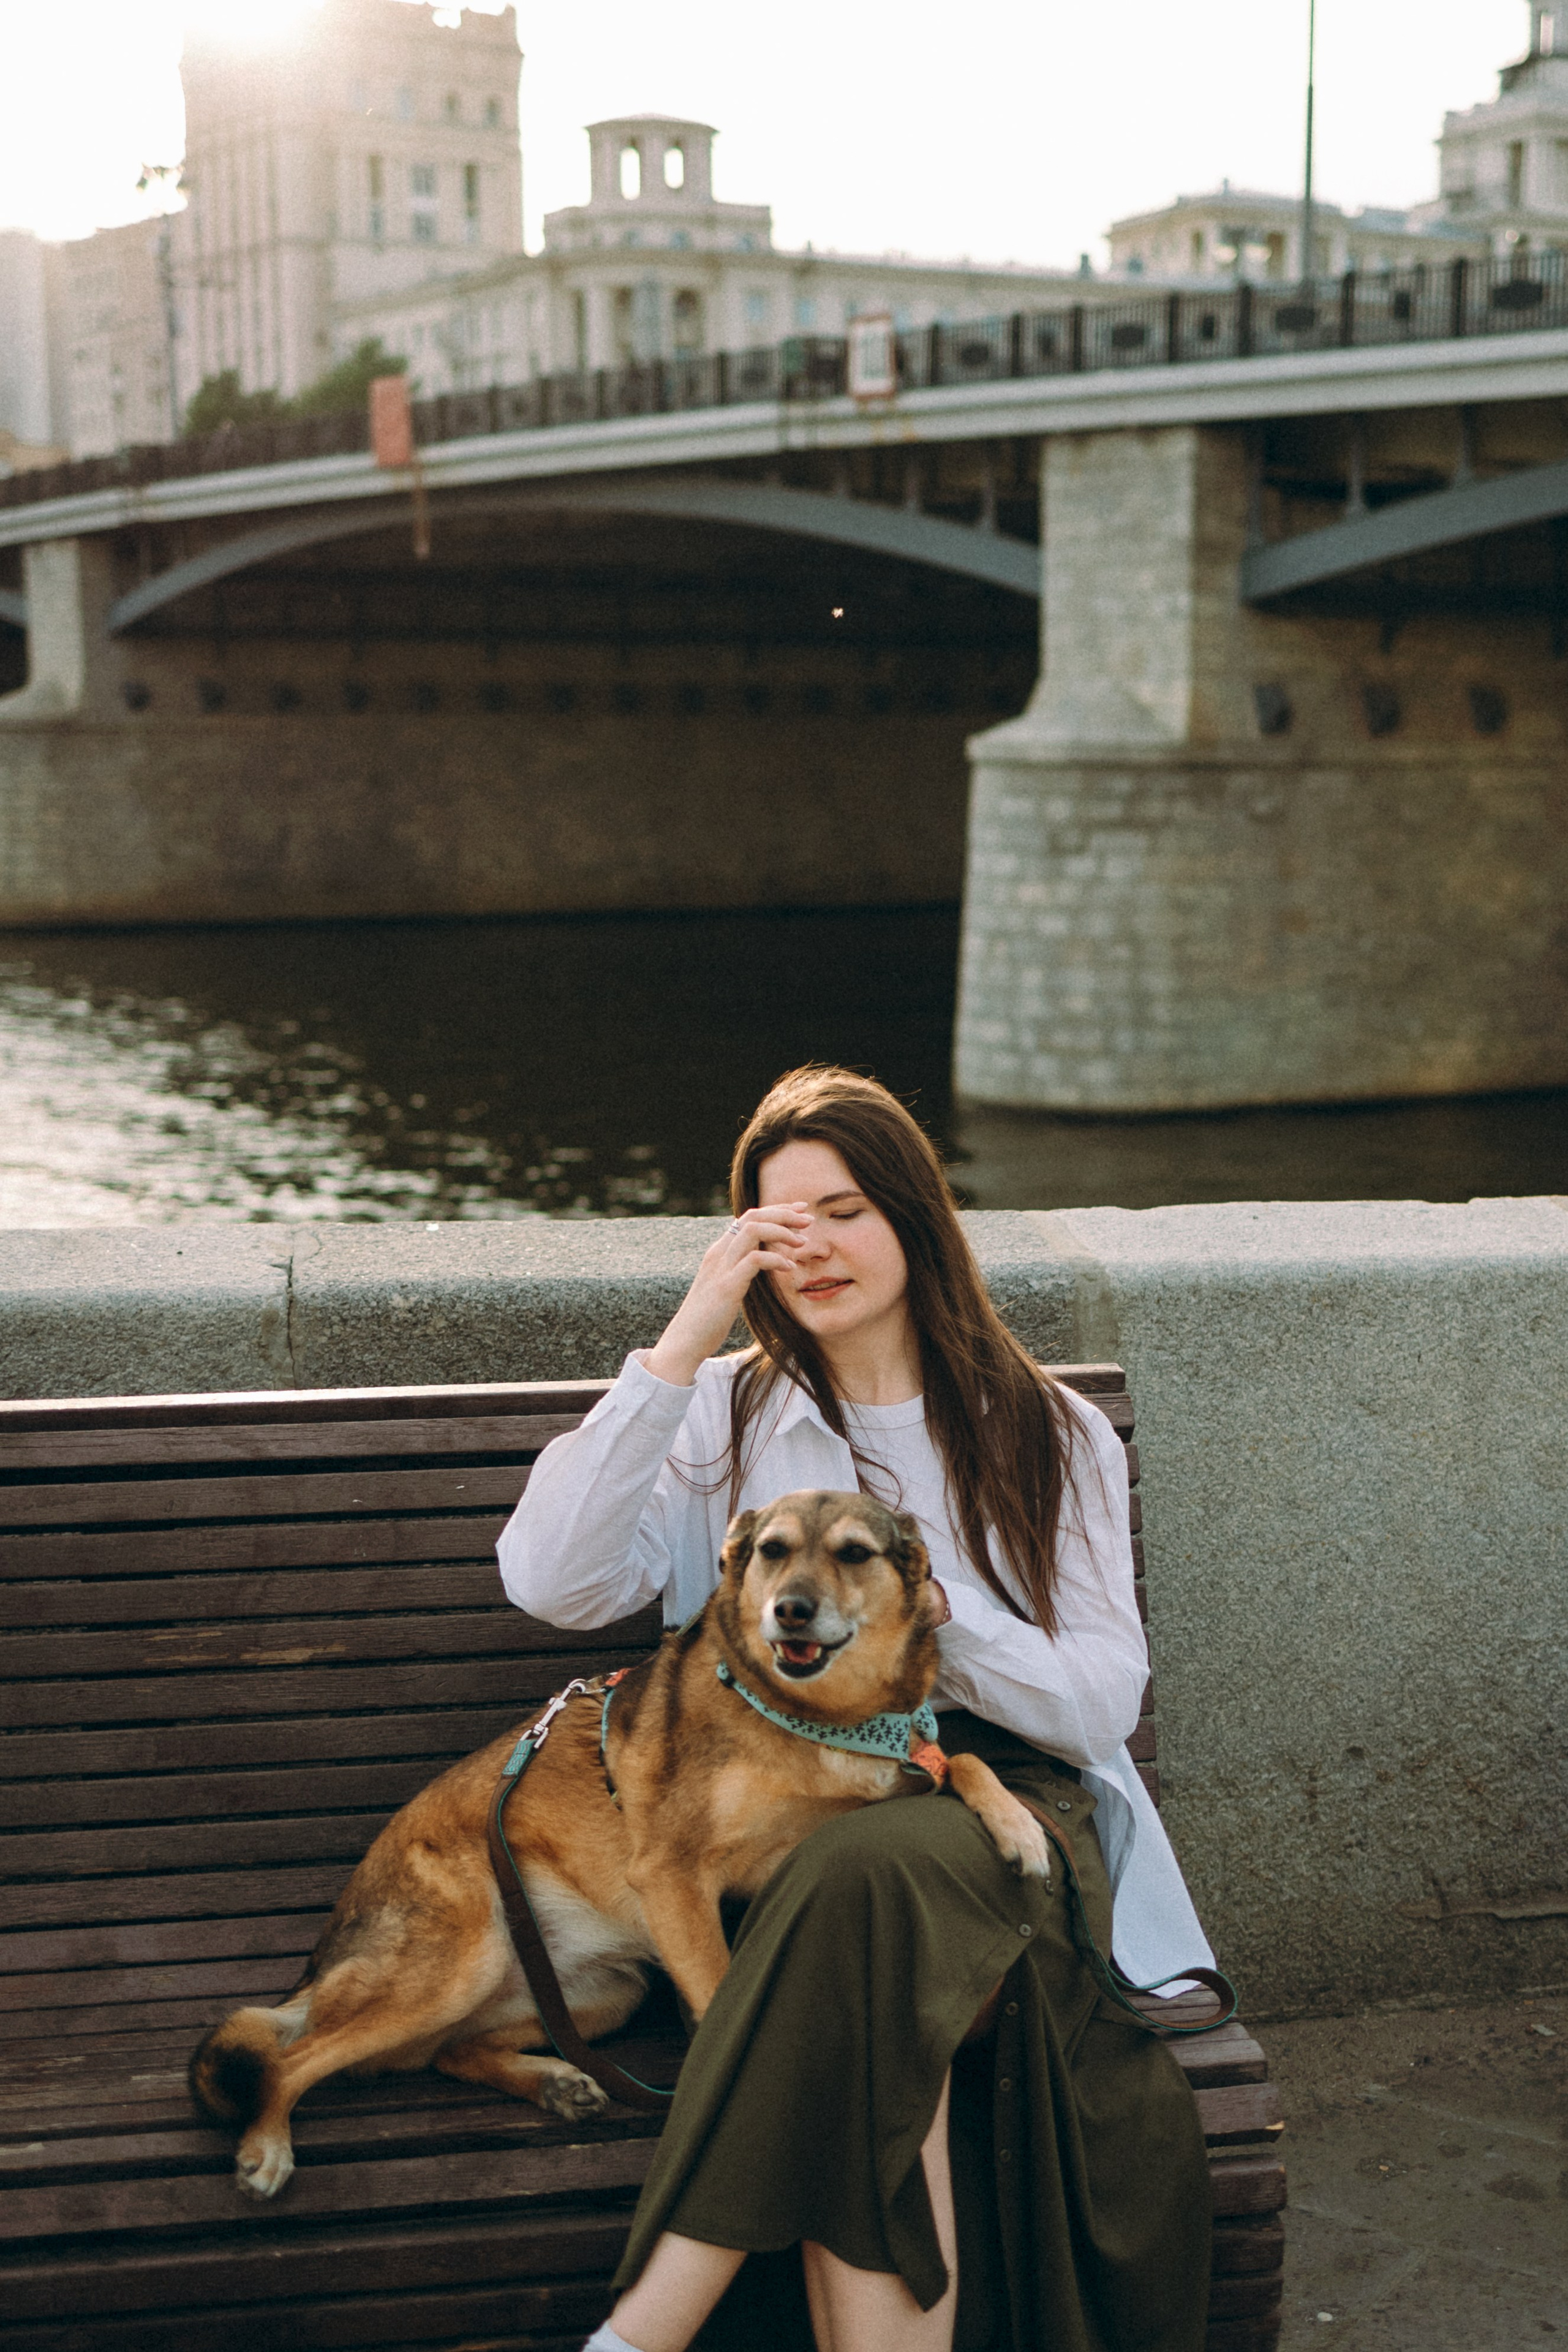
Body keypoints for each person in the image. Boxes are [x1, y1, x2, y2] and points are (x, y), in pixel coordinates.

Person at [497, 1066, 1218, 2352]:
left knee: (859, 1884)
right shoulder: (725, 1414)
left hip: (999, 1807)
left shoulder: (1041, 1427)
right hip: (781, 1804)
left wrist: (929, 1617)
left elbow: (1099, 1703)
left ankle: (641, 2333)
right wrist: (682, 1343)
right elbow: (552, 1581)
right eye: (781, 1229)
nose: (815, 1250)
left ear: (913, 1216)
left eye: (845, 1212)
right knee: (863, 1976)